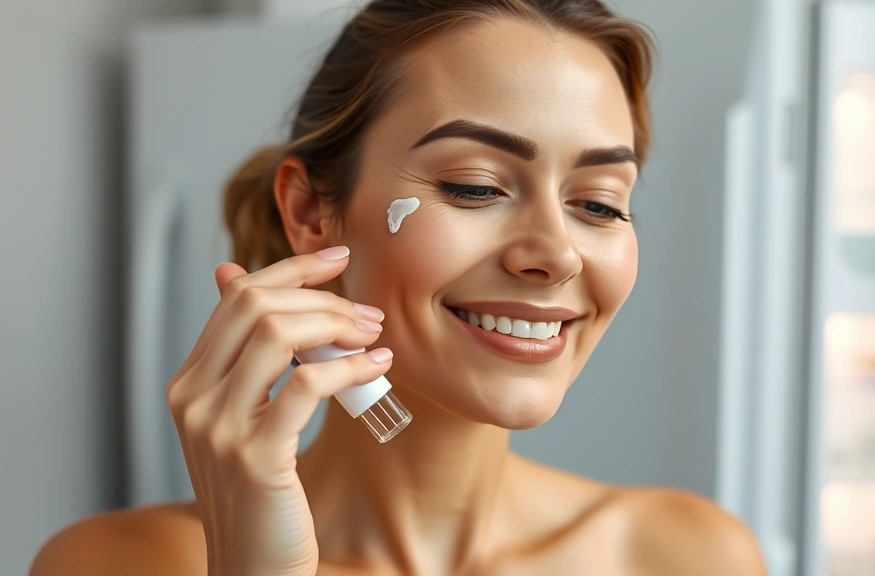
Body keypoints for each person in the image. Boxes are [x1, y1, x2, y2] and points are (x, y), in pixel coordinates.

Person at [31, 0, 766, 574]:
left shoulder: (688, 556)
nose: (557, 254)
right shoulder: (110, 565)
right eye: (474, 186)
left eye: (599, 204)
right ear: (310, 213)